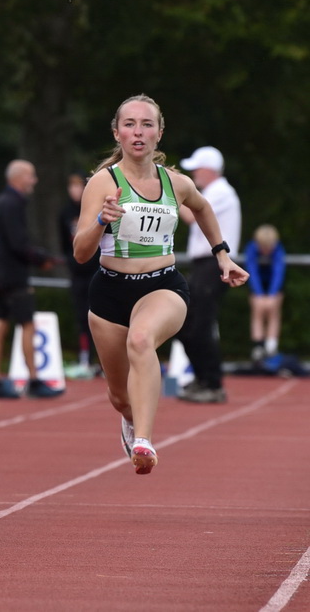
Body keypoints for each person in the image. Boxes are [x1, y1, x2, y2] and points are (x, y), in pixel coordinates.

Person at [73, 95, 247, 475]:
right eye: (131, 124)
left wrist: (222, 254)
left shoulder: (177, 183)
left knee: (142, 339)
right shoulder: (102, 183)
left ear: (159, 133)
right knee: (120, 396)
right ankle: (131, 421)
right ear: (117, 133)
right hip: (110, 292)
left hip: (163, 285)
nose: (139, 131)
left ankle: (144, 442)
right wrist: (102, 219)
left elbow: (202, 207)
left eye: (147, 124)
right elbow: (81, 253)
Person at [0, 159, 61, 400]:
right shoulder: (12, 203)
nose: (34, 181)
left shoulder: (1, 203)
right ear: (17, 178)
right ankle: (34, 380)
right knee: (27, 325)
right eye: (31, 176)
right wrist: (42, 259)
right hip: (12, 275)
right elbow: (18, 243)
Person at [175, 146, 242, 404]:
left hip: (214, 264)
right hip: (205, 264)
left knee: (200, 324)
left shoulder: (221, 192)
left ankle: (212, 383)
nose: (194, 174)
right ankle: (204, 378)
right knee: (186, 323)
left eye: (196, 169)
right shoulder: (215, 192)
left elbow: (192, 217)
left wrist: (175, 193)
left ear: (208, 169)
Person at [58, 172, 100, 376]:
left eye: (78, 186)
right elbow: (64, 244)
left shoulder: (94, 208)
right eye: (71, 187)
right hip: (77, 272)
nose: (75, 190)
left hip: (97, 270)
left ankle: (103, 360)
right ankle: (86, 357)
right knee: (81, 316)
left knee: (101, 316)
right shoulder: (64, 213)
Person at [245, 224, 285, 362]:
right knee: (258, 311)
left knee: (273, 311)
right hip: (257, 285)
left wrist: (272, 295)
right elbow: (252, 271)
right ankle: (258, 347)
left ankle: (271, 346)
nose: (267, 250)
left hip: (274, 285)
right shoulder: (251, 248)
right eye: (264, 247)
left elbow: (278, 272)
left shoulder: (278, 248)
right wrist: (259, 294)